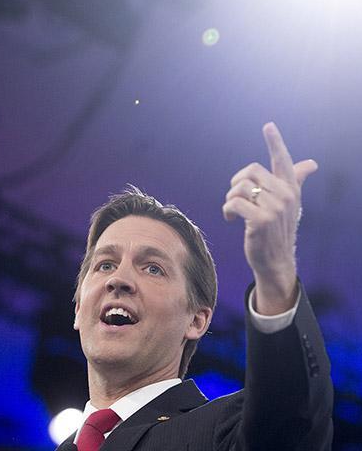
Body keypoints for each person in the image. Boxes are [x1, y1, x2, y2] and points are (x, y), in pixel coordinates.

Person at [57, 123, 333, 451]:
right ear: (77, 309)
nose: (119, 279)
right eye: (105, 264)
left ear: (196, 320)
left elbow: (290, 423)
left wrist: (275, 275)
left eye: (153, 268)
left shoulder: (221, 432)